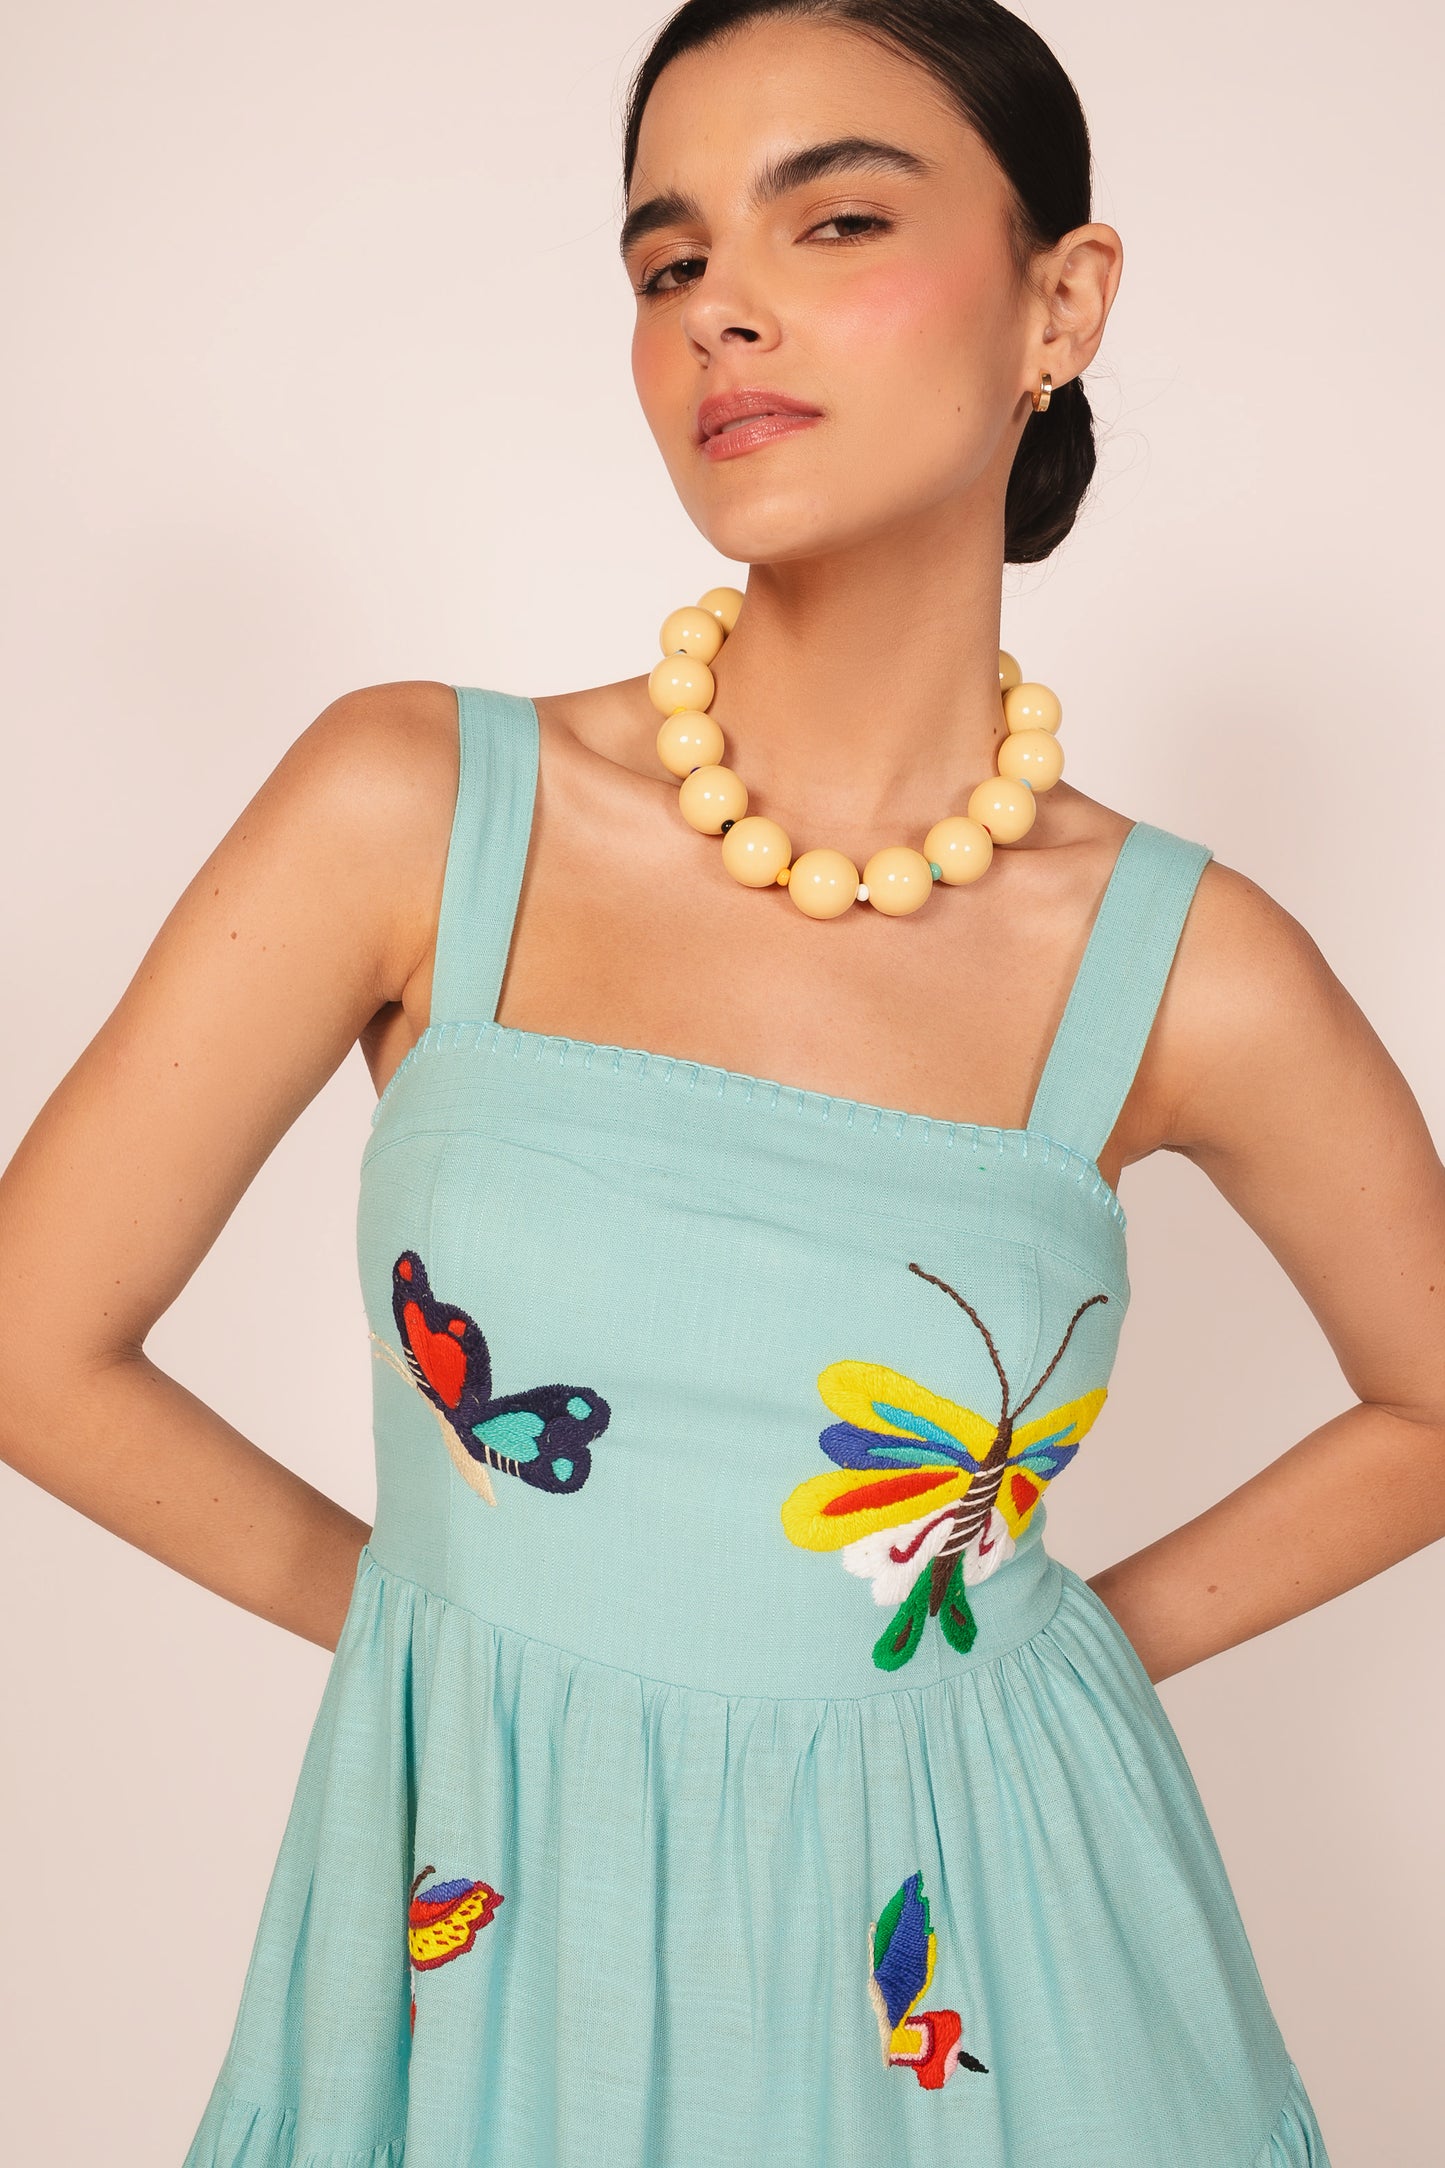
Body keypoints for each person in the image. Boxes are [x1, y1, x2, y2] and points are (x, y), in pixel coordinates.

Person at [1, 0, 1440, 2161]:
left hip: (998, 1976)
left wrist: (1043, 1668)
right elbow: (30, 1339)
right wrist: (459, 1644)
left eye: (833, 220)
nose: (720, 309)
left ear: (1061, 304)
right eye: (667, 258)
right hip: (502, 1961)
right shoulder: (415, 807)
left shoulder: (1183, 965)